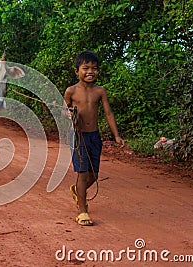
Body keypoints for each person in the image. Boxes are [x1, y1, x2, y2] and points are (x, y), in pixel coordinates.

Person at [63, 51, 125, 226]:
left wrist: (117, 135)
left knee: (93, 175)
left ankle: (77, 191)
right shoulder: (71, 91)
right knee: (82, 173)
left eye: (94, 68)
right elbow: (62, 110)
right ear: (77, 71)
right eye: (85, 68)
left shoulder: (100, 91)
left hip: (94, 136)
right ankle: (82, 211)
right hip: (77, 136)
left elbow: (108, 113)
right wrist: (68, 114)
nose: (90, 71)